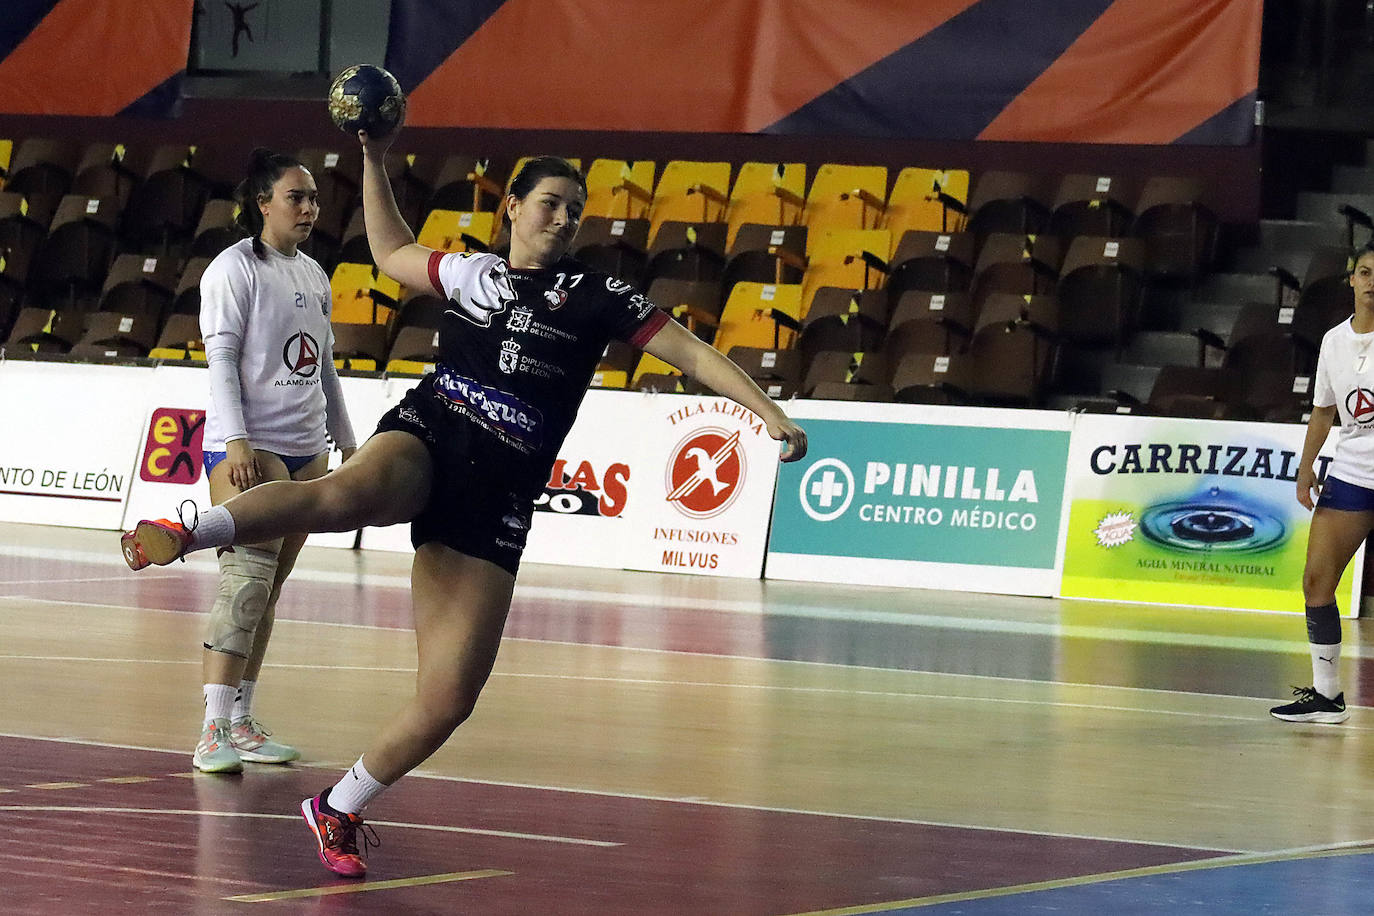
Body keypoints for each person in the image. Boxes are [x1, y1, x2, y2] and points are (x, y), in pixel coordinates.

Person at [120, 125, 807, 878]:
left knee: (448, 698)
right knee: (341, 496)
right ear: (512, 205)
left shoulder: (596, 296)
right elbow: (388, 252)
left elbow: (691, 349)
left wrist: (765, 410)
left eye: (574, 211)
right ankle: (187, 530)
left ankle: (338, 806)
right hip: (434, 432)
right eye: (550, 203)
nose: (563, 219)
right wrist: (375, 158)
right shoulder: (471, 274)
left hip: (498, 494)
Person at [187, 148, 358, 773]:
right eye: (296, 197)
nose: (310, 207)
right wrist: (235, 443)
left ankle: (241, 720)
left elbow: (326, 364)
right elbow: (221, 360)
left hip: (306, 448)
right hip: (250, 447)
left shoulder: (314, 274)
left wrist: (345, 437)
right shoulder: (233, 271)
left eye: (313, 198)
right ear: (263, 204)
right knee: (246, 585)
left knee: (272, 590)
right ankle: (210, 731)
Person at [1269, 242, 1374, 725]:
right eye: (1366, 272)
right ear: (1352, 280)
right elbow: (1325, 408)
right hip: (1353, 472)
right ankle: (1327, 694)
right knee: (1316, 580)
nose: (1373, 282)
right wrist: (1306, 465)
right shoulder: (1333, 341)